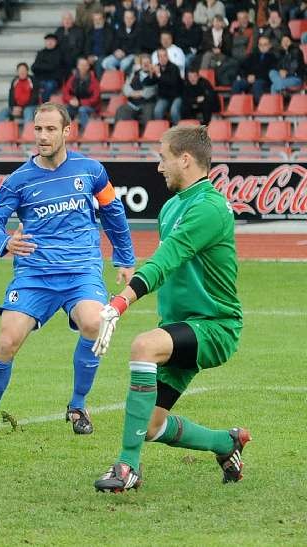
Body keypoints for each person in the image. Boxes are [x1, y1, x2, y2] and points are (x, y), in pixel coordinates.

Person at [92, 125, 249, 492]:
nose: (159, 167)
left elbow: (166, 258)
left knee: (143, 346)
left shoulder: (209, 208)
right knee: (149, 426)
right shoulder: (174, 205)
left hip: (215, 326)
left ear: (185, 159)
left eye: (163, 158)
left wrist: (121, 301)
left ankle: (127, 469)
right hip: (182, 325)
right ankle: (226, 444)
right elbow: (168, 267)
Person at [0, 103, 135, 437]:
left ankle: (78, 406)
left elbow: (112, 211)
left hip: (81, 270)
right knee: (7, 340)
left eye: (50, 129)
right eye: (38, 129)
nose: (42, 136)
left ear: (67, 131)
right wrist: (3, 242)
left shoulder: (92, 171)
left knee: (94, 323)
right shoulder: (19, 180)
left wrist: (125, 258)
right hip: (34, 274)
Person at [62, 56, 101, 129]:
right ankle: (67, 133)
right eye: (81, 65)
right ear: (78, 66)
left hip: (91, 106)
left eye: (85, 65)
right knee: (65, 110)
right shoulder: (72, 78)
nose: (83, 67)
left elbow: (95, 98)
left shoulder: (94, 80)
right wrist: (71, 100)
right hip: (75, 104)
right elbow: (65, 92)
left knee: (82, 110)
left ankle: (86, 131)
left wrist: (80, 102)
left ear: (88, 67)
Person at [0, 62, 39, 127]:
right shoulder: (15, 81)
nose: (22, 72)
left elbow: (35, 98)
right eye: (20, 70)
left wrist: (22, 108)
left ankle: (27, 133)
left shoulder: (33, 80)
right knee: (3, 111)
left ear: (27, 71)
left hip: (31, 106)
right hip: (17, 108)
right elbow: (11, 97)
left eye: (24, 70)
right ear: (17, 72)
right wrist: (13, 107)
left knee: (28, 111)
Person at [31, 33, 66, 102]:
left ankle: (44, 104)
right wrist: (46, 67)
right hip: (40, 79)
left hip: (53, 80)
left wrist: (41, 66)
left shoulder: (60, 53)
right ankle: (32, 104)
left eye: (52, 41)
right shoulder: (41, 53)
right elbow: (33, 67)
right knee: (30, 84)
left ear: (56, 42)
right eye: (48, 40)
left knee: (49, 85)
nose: (50, 42)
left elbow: (53, 67)